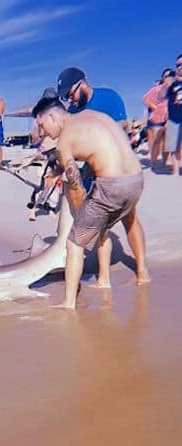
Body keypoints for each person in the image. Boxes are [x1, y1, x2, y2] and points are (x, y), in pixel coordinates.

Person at [31, 91, 150, 309]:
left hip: (111, 187)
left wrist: (83, 220)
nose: (42, 132)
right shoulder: (94, 115)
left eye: (41, 125)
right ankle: (137, 274)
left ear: (52, 118)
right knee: (126, 219)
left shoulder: (64, 141)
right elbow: (100, 150)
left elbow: (75, 187)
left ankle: (68, 303)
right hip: (136, 180)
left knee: (75, 242)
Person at [57, 67, 128, 129]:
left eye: (71, 95)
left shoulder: (109, 97)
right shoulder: (71, 110)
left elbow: (123, 124)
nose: (69, 100)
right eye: (66, 97)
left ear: (83, 84)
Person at [166, 55, 182, 176]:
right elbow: (161, 97)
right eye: (178, 65)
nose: (179, 67)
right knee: (174, 147)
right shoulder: (173, 83)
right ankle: (175, 172)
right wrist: (166, 84)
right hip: (174, 119)